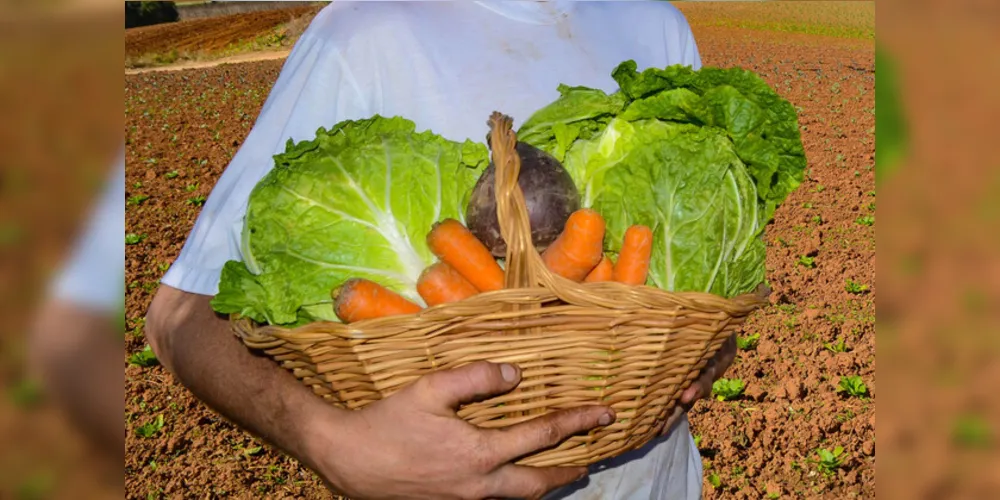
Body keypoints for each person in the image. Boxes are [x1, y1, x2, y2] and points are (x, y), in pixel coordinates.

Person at [145, 2, 737, 499]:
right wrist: (331, 445)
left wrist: (706, 342)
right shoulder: (363, 34)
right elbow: (179, 317)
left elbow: (687, 274)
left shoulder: (655, 22)